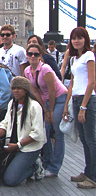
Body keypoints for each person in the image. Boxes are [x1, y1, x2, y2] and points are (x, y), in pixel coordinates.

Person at [0, 77, 46, 186]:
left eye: (19, 88)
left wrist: (18, 145)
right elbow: (5, 123)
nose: (15, 91)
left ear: (25, 90)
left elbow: (38, 133)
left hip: (28, 148)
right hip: (12, 145)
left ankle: (35, 166)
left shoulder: (34, 106)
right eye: (14, 88)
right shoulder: (12, 103)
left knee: (10, 180)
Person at [24, 43, 67, 177]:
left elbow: (52, 90)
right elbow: (35, 91)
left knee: (58, 132)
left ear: (40, 56)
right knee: (45, 132)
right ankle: (46, 163)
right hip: (45, 100)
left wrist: (51, 111)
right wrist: (44, 109)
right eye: (30, 54)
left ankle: (54, 167)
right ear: (27, 55)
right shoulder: (27, 71)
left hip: (59, 98)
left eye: (36, 54)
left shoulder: (46, 69)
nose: (33, 56)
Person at [62, 27, 96, 189]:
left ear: (86, 40)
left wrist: (83, 107)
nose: (76, 41)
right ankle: (88, 171)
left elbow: (92, 82)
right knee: (83, 139)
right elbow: (72, 83)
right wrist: (66, 106)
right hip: (75, 99)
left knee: (91, 139)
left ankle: (93, 176)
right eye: (74, 38)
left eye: (80, 38)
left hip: (86, 100)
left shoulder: (89, 56)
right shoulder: (75, 59)